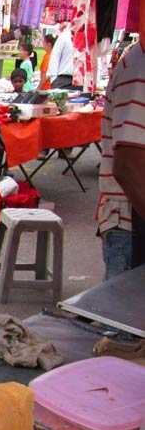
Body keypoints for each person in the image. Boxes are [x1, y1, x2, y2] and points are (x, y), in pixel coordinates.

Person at [96, 37, 145, 279]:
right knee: (125, 312)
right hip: (128, 224)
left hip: (132, 220)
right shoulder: (140, 66)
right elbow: (127, 165)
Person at [46, 23, 74, 89]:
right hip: (64, 80)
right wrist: (53, 80)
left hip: (82, 82)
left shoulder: (89, 37)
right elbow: (54, 58)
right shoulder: (64, 37)